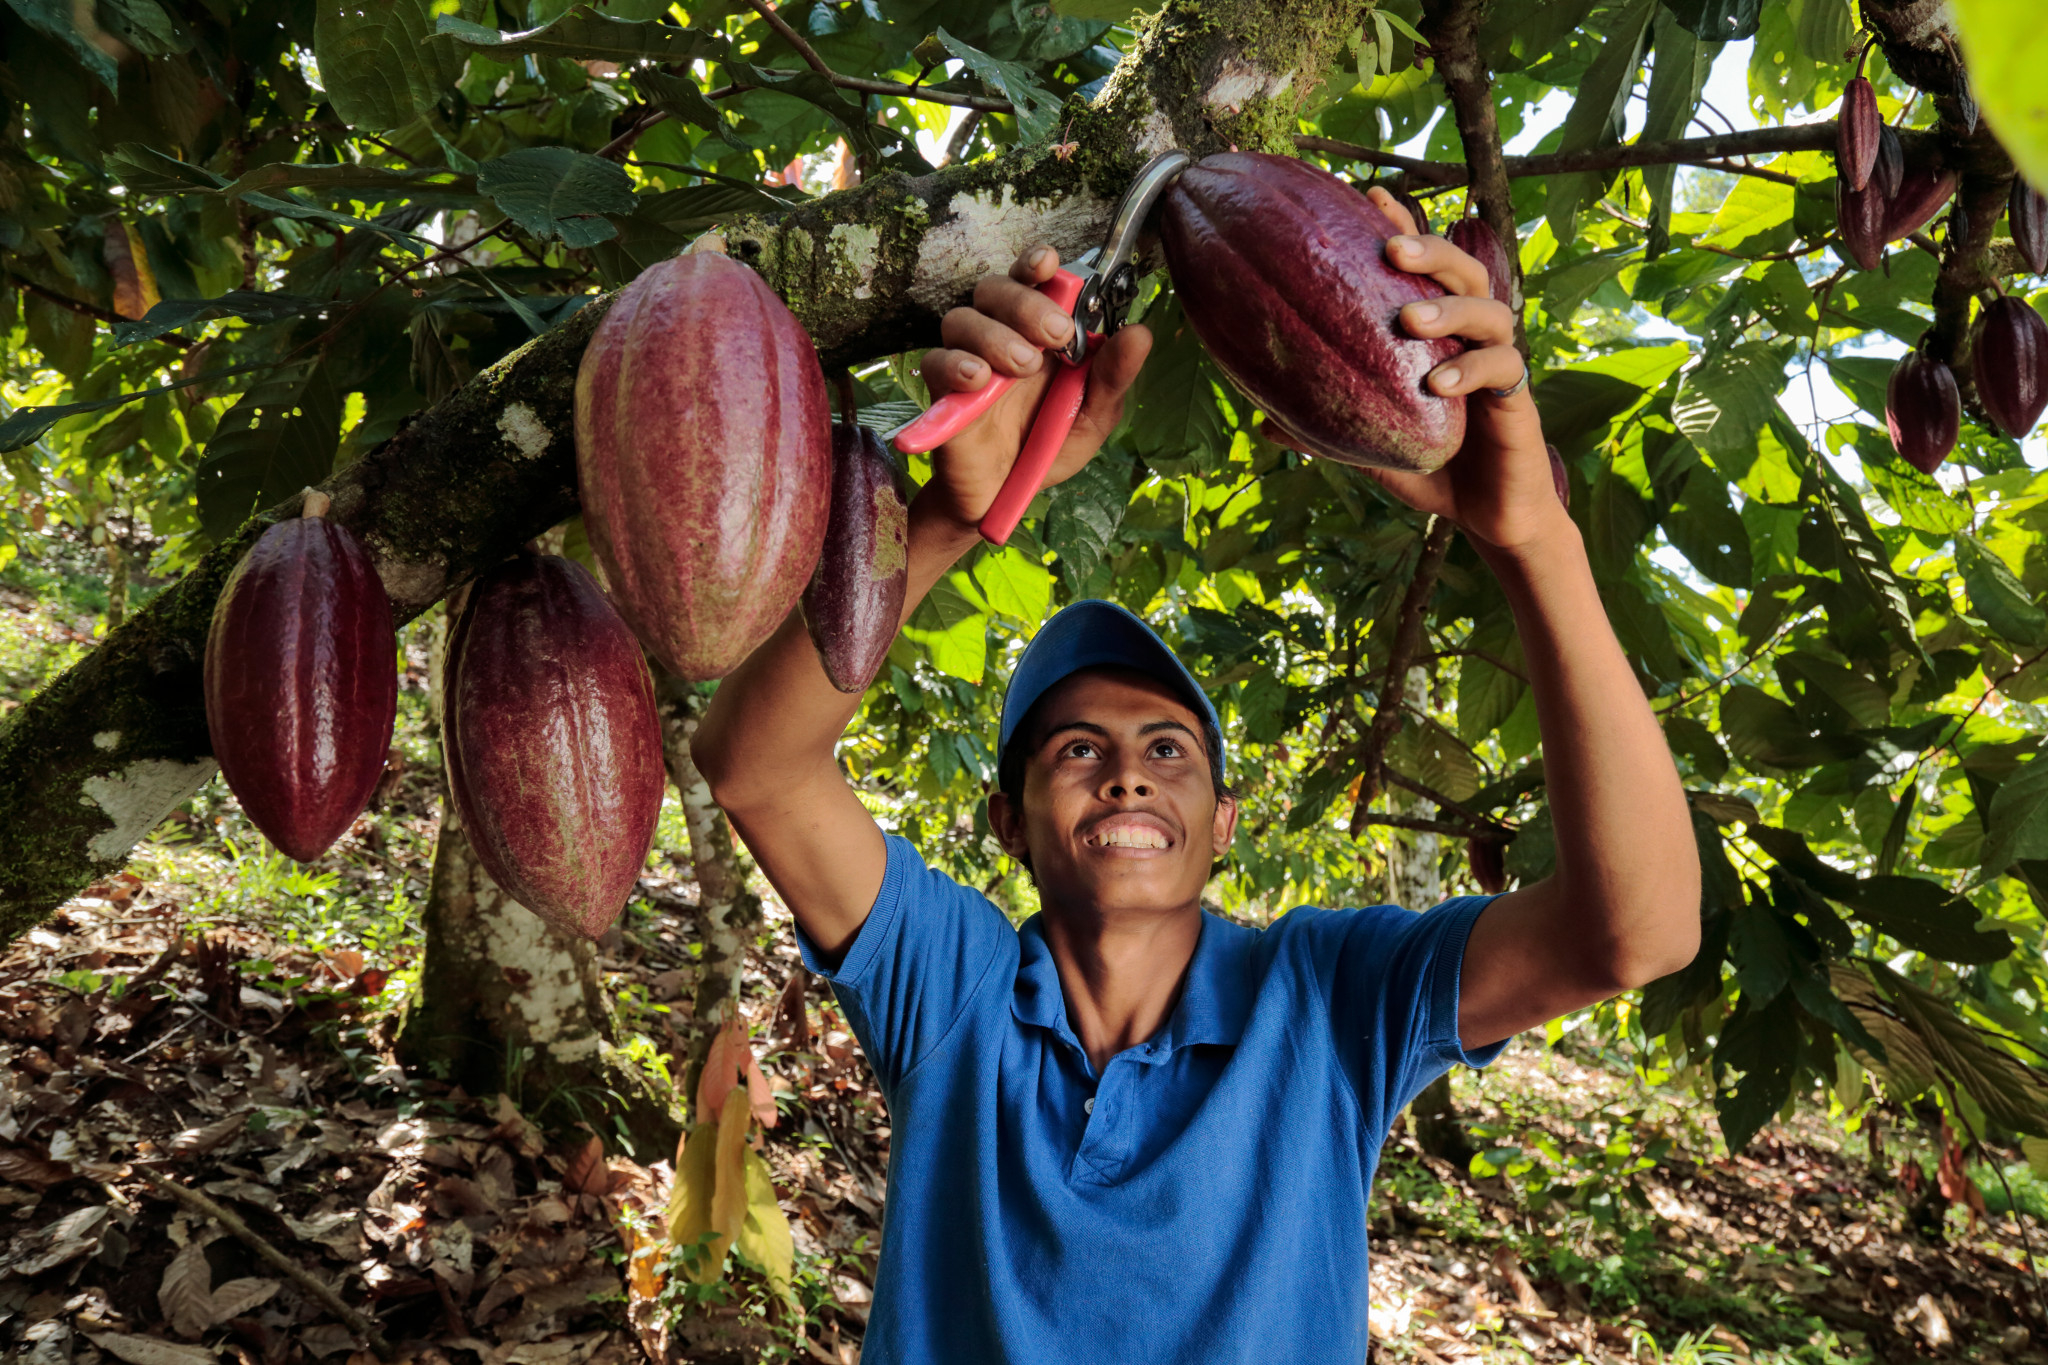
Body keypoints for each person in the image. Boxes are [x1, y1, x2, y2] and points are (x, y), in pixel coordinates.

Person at [691, 187, 1702, 1363]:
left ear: (1221, 822)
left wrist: (1531, 541)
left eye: (1166, 752)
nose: (1124, 778)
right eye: (1075, 752)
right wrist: (955, 519)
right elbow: (754, 765)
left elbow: (1634, 934)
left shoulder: (1325, 1002)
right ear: (1006, 823)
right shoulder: (956, 989)